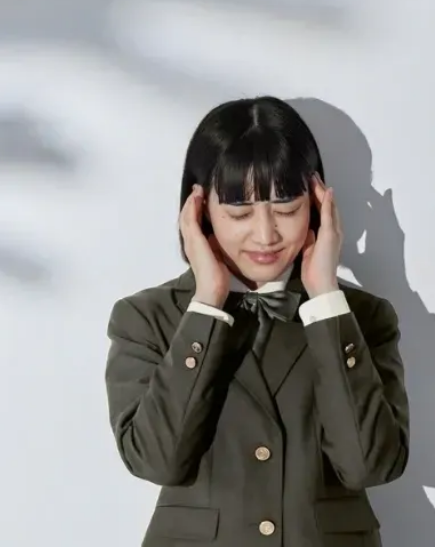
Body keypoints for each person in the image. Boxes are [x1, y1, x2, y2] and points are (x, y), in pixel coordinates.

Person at [104, 96, 409, 546]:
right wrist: (207, 304)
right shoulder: (147, 318)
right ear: (199, 210)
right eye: (240, 213)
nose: (266, 235)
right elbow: (157, 462)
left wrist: (325, 299)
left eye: (286, 209)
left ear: (320, 205)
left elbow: (371, 465)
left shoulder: (361, 318)